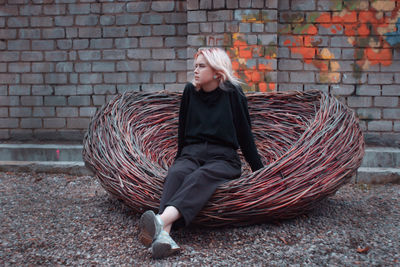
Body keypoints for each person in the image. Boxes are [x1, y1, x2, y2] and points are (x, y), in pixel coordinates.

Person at [138, 47, 263, 259]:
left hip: (223, 158)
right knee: (177, 174)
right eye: (195, 66)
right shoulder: (190, 92)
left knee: (199, 176)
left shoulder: (233, 93)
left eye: (201, 66)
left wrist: (260, 171)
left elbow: (245, 134)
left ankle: (159, 221)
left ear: (216, 71)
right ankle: (164, 239)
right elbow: (182, 129)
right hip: (191, 153)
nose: (195, 70)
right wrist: (179, 161)